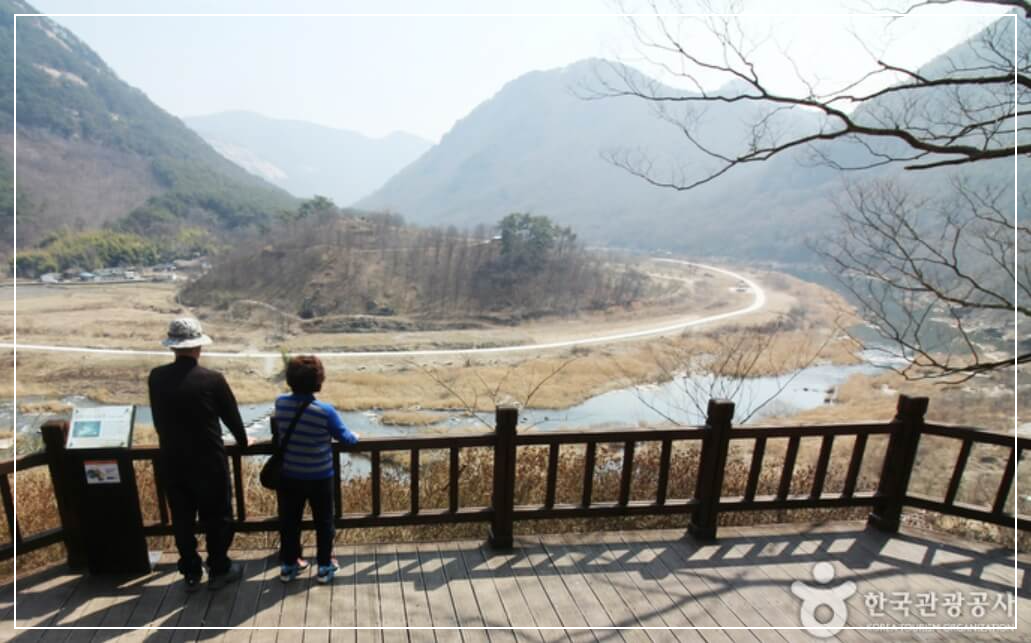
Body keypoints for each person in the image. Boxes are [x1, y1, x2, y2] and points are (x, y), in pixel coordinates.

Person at [148, 318, 249, 592]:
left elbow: (158, 420)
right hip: (208, 461)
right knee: (218, 516)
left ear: (173, 347)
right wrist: (243, 442)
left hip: (172, 459)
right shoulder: (212, 379)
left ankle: (190, 570)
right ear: (198, 348)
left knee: (182, 517)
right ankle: (219, 568)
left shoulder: (156, 377)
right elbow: (232, 418)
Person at [274, 355, 359, 584]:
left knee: (290, 522)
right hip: (320, 476)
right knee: (324, 522)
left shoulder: (280, 403)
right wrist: (356, 436)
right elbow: (346, 438)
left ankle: (289, 566)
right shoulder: (325, 411)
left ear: (290, 380)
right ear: (318, 381)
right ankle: (324, 567)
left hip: (290, 475)